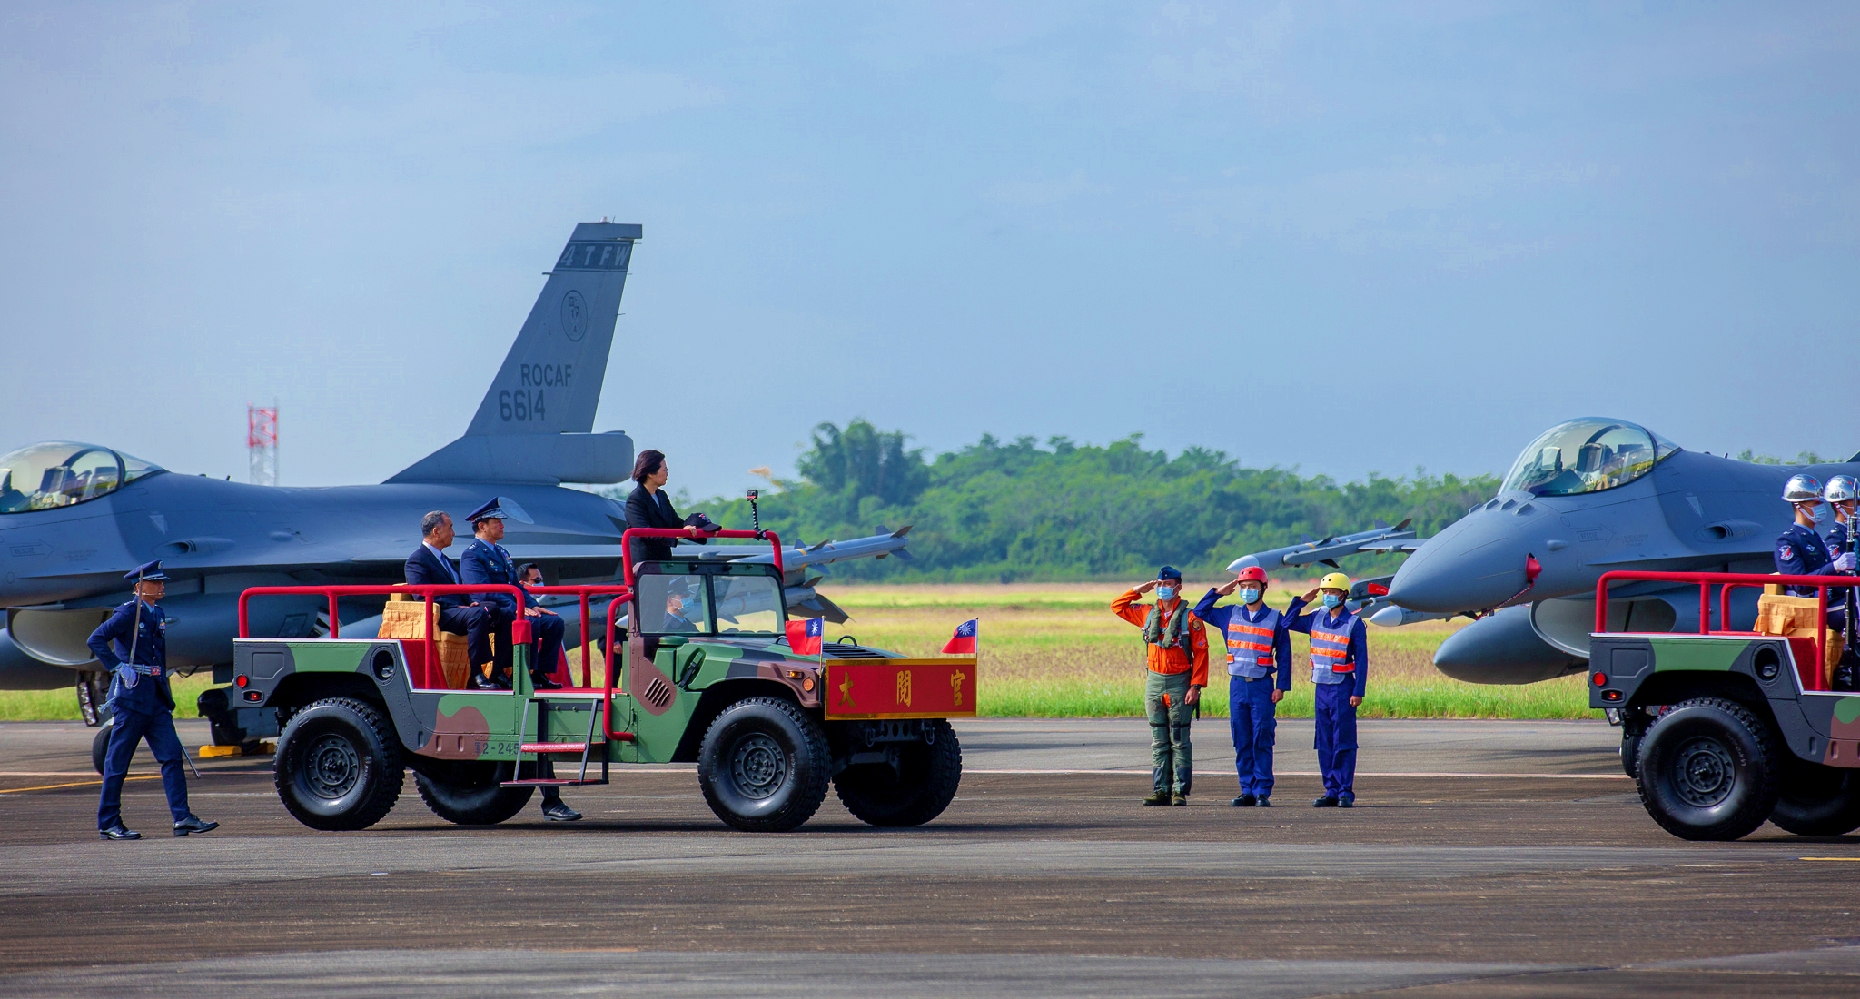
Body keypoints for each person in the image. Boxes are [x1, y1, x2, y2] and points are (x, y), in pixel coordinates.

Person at [87, 560, 217, 840]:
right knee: (118, 762)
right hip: (132, 699)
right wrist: (117, 666)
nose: (161, 586)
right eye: (155, 582)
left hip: (155, 698)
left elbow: (159, 655)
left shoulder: (156, 612)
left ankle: (182, 817)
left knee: (171, 755)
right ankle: (109, 822)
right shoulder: (128, 613)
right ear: (139, 587)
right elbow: (96, 639)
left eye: (161, 582)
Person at [1194, 565, 1292, 807]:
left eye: (1252, 587)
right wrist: (1218, 592)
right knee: (1242, 738)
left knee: (1262, 737)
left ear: (1263, 589)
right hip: (1237, 685)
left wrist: (1281, 686)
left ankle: (1262, 791)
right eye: (1244, 587)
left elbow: (1285, 655)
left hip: (1262, 686)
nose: (1247, 591)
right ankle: (1246, 789)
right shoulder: (1229, 613)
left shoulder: (1275, 618)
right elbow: (1199, 611)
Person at [1111, 566, 1210, 806]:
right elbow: (1117, 606)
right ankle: (1161, 789)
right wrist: (1138, 590)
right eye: (1160, 584)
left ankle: (1179, 791)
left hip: (1180, 682)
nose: (1164, 588)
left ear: (1179, 587)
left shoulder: (1190, 619)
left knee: (1179, 737)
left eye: (1169, 584)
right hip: (1154, 681)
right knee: (1158, 738)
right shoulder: (1147, 613)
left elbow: (1201, 653)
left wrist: (1196, 686)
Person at [461, 499, 567, 691]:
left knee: (554, 623)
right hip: (495, 608)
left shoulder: (502, 552)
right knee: (529, 622)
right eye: (497, 523)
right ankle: (521, 673)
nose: (502, 526)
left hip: (514, 604)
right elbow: (482, 590)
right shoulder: (472, 555)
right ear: (482, 526)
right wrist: (518, 606)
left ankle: (540, 672)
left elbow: (515, 585)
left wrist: (532, 604)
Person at [1286, 571, 1368, 808]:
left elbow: (1361, 660)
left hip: (1343, 687)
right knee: (1324, 741)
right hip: (1321, 687)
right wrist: (1301, 601)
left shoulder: (1354, 623)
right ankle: (1330, 790)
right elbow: (1287, 622)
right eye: (1325, 592)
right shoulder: (1315, 617)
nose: (1328, 597)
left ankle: (1344, 791)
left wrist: (1358, 691)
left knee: (1343, 740)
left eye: (1332, 592)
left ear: (1344, 595)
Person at [404, 510, 498, 689]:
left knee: (497, 610)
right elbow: (422, 596)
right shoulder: (417, 560)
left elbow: (458, 586)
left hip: (459, 610)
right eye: (450, 528)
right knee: (477, 615)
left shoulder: (443, 559)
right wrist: (460, 606)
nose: (454, 533)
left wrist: (469, 602)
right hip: (441, 614)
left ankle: (499, 671)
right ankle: (476, 674)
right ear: (436, 532)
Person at [624, 450, 717, 566]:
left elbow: (675, 523)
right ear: (651, 474)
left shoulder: (662, 496)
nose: (667, 474)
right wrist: (678, 534)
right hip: (645, 566)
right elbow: (645, 532)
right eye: (665, 470)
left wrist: (694, 528)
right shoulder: (635, 499)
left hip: (664, 562)